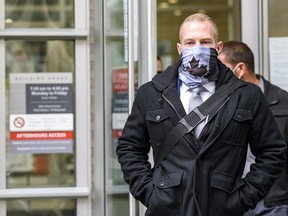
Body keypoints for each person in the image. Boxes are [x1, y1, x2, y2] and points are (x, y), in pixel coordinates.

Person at [116, 13, 287, 216]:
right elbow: (129, 148)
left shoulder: (247, 95)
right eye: (190, 42)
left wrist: (243, 198)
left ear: (218, 47)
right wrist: (151, 193)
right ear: (180, 49)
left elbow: (273, 152)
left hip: (224, 210)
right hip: (167, 209)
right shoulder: (151, 93)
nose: (197, 48)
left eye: (205, 42)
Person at [218, 40, 288, 216]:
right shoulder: (219, 105)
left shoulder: (284, 104)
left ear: (239, 69)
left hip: (273, 204)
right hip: (232, 202)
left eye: (221, 69)